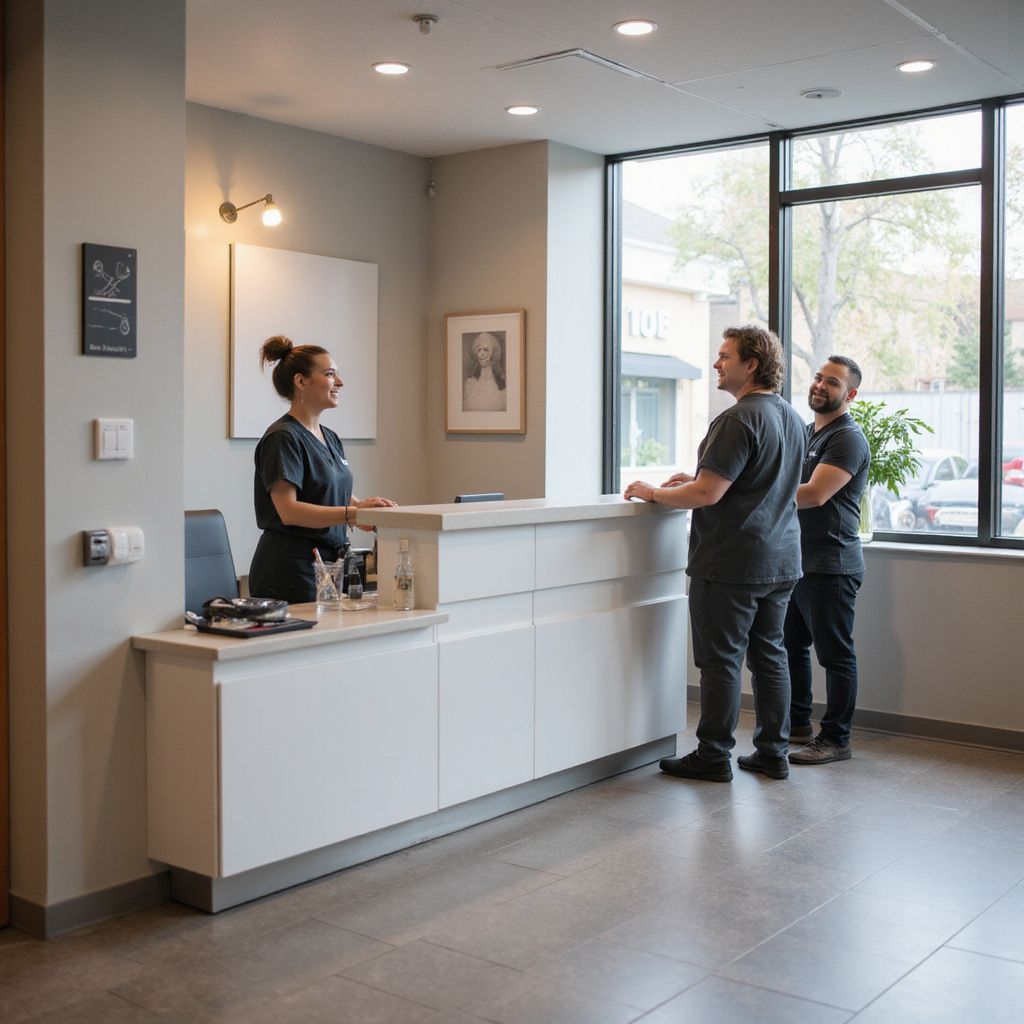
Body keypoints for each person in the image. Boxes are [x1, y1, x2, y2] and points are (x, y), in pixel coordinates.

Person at [624, 325, 806, 782]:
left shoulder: (738, 419)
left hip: (732, 563)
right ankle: (772, 752)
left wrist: (651, 491)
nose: (716, 364)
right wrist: (697, 477)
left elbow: (707, 495)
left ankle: (712, 755)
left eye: (725, 356)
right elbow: (750, 480)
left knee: (720, 661)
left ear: (752, 364)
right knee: (771, 657)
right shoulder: (789, 416)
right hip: (780, 559)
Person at [248, 335, 396, 604]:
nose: (340, 383)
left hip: (329, 565)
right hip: (291, 569)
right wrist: (351, 514)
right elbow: (289, 510)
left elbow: (326, 489)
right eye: (329, 375)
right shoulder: (283, 438)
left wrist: (361, 507)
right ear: (301, 381)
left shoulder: (330, 437)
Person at [785, 356, 870, 765]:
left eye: (832, 382)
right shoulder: (806, 433)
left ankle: (836, 738)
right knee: (791, 645)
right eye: (818, 377)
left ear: (850, 394)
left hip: (832, 564)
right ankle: (797, 723)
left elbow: (815, 494)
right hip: (798, 562)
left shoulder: (848, 438)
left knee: (835, 655)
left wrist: (756, 495)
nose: (820, 385)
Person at [463, 331, 507, 412]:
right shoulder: (470, 384)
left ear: (492, 353)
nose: (481, 354)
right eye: (479, 350)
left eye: (485, 349)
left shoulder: (502, 388)